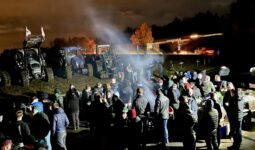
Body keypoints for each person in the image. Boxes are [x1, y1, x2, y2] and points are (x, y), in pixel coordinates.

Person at [223, 82, 243, 150]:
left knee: (238, 131)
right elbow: (224, 102)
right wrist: (227, 109)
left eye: (229, 85)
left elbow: (238, 107)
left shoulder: (238, 94)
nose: (228, 86)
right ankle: (235, 144)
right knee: (233, 131)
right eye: (227, 85)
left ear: (233, 86)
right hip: (231, 115)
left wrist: (230, 105)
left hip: (237, 116)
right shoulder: (227, 93)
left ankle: (237, 145)